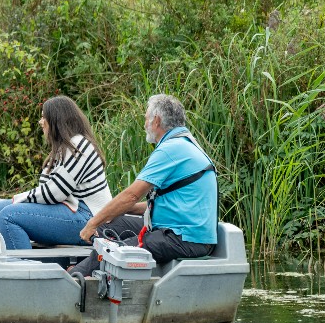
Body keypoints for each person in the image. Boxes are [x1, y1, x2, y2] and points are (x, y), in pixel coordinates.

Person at [69, 94, 217, 276]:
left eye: (146, 118)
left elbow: (131, 195)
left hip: (185, 239)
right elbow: (160, 203)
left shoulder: (170, 149)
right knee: (110, 224)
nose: (144, 124)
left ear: (156, 120)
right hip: (180, 232)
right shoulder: (183, 143)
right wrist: (116, 212)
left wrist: (92, 222)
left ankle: (72, 279)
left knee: (115, 248)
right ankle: (88, 271)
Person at [0, 95, 113, 249]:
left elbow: (55, 192)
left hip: (90, 218)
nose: (41, 122)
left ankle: (24, 269)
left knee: (9, 215)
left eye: (44, 117)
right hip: (72, 209)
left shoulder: (80, 145)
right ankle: (16, 259)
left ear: (56, 120)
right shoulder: (62, 149)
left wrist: (18, 198)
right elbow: (46, 191)